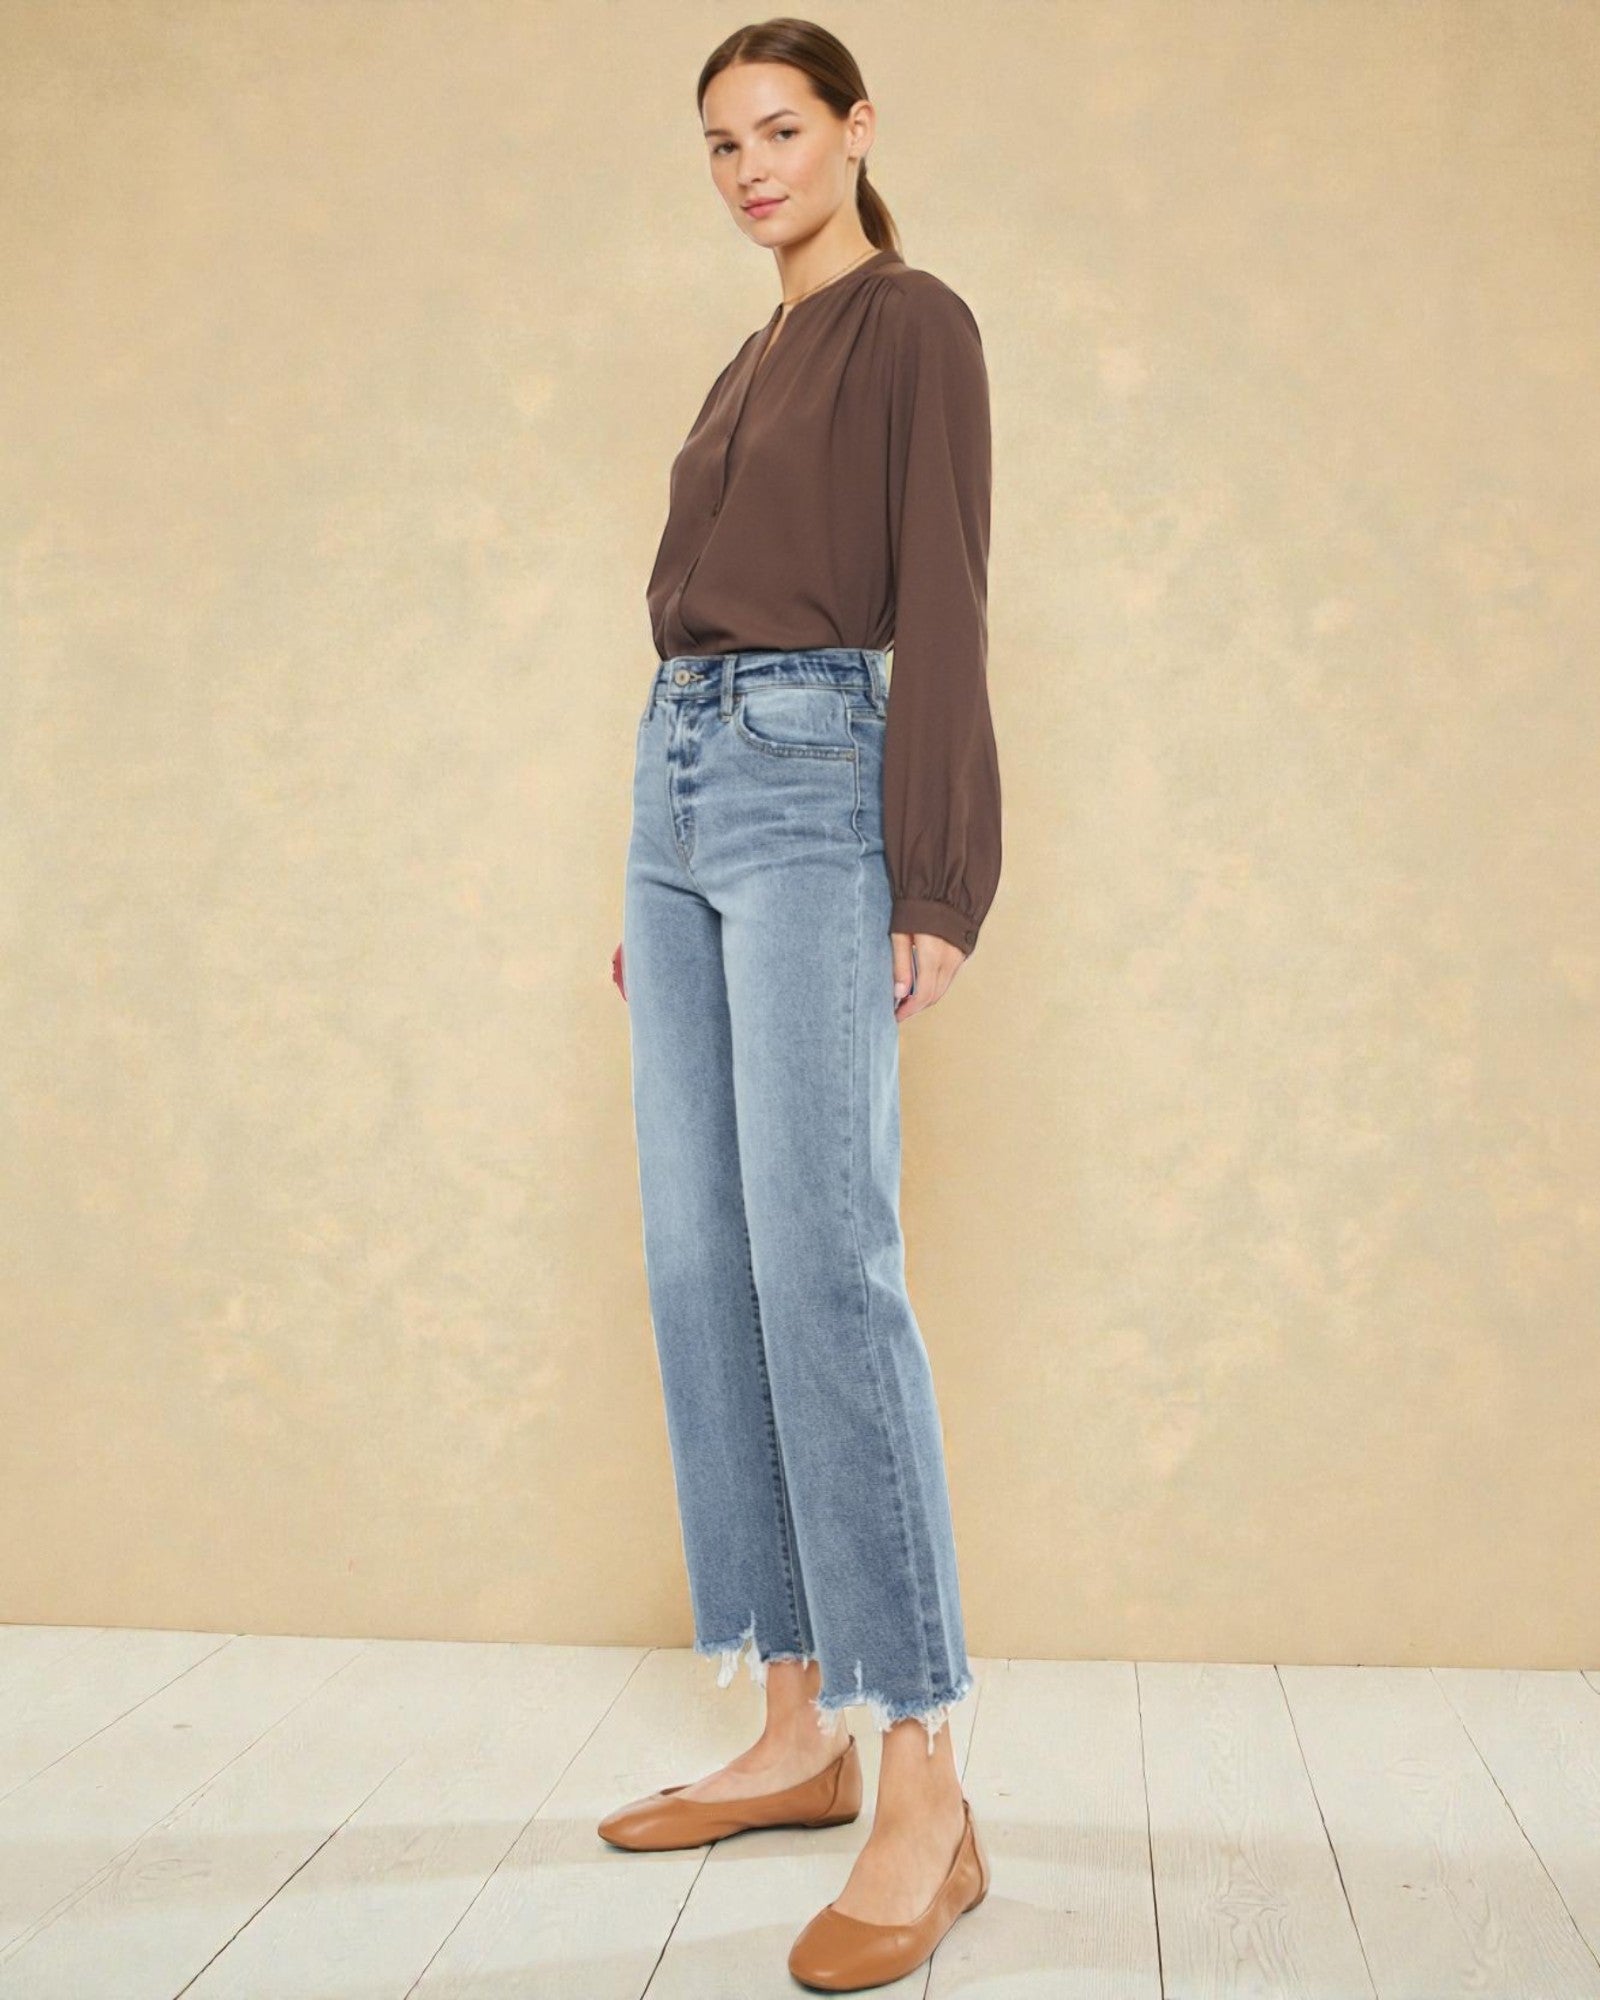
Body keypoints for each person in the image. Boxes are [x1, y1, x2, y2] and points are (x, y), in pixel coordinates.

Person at [600, 19, 1000, 1989]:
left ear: (851, 130)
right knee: (697, 1262)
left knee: (824, 1264)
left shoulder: (907, 323)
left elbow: (937, 580)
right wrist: (656, 877)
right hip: (673, 799)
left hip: (814, 788)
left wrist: (930, 868)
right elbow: (693, 614)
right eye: (718, 144)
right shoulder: (741, 359)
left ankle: (917, 1768)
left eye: (777, 129)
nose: (747, 165)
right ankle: (789, 1724)